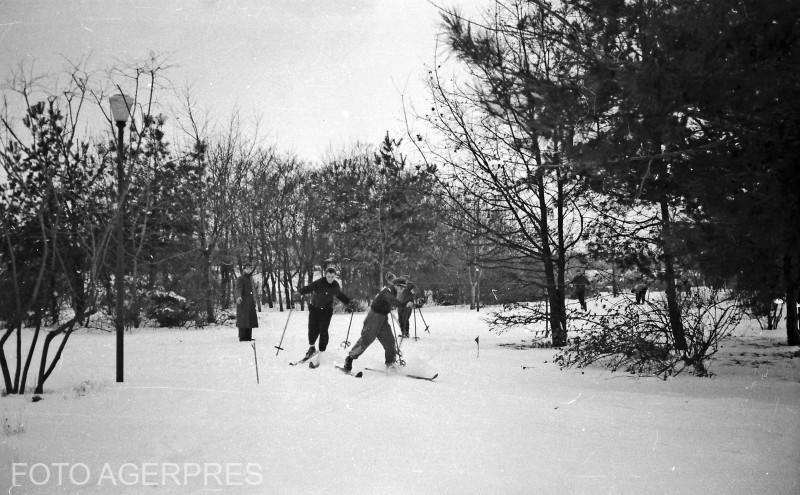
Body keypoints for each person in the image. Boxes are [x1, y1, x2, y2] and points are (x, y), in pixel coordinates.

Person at [343, 273, 413, 372]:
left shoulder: (394, 291)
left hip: (383, 319)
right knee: (366, 339)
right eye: (401, 288)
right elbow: (391, 300)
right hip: (374, 318)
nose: (402, 291)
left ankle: (390, 363)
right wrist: (404, 304)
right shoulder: (387, 291)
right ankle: (349, 359)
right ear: (396, 286)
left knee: (390, 342)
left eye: (403, 289)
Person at [295, 267, 352, 361]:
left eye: (332, 277)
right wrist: (299, 292)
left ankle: (322, 350)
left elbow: (340, 295)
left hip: (326, 311)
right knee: (312, 329)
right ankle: (312, 347)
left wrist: (349, 302)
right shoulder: (319, 283)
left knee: (323, 330)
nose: (330, 278)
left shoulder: (335, 286)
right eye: (328, 276)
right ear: (325, 275)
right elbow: (309, 288)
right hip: (314, 309)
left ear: (334, 277)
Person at [235, 261, 259, 341]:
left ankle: (248, 337)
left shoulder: (251, 279)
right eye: (247, 268)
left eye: (250, 268)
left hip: (250, 302)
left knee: (250, 319)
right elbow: (238, 288)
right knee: (243, 320)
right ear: (244, 269)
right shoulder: (240, 278)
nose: (248, 270)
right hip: (243, 303)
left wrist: (256, 287)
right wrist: (238, 296)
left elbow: (252, 290)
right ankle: (242, 337)